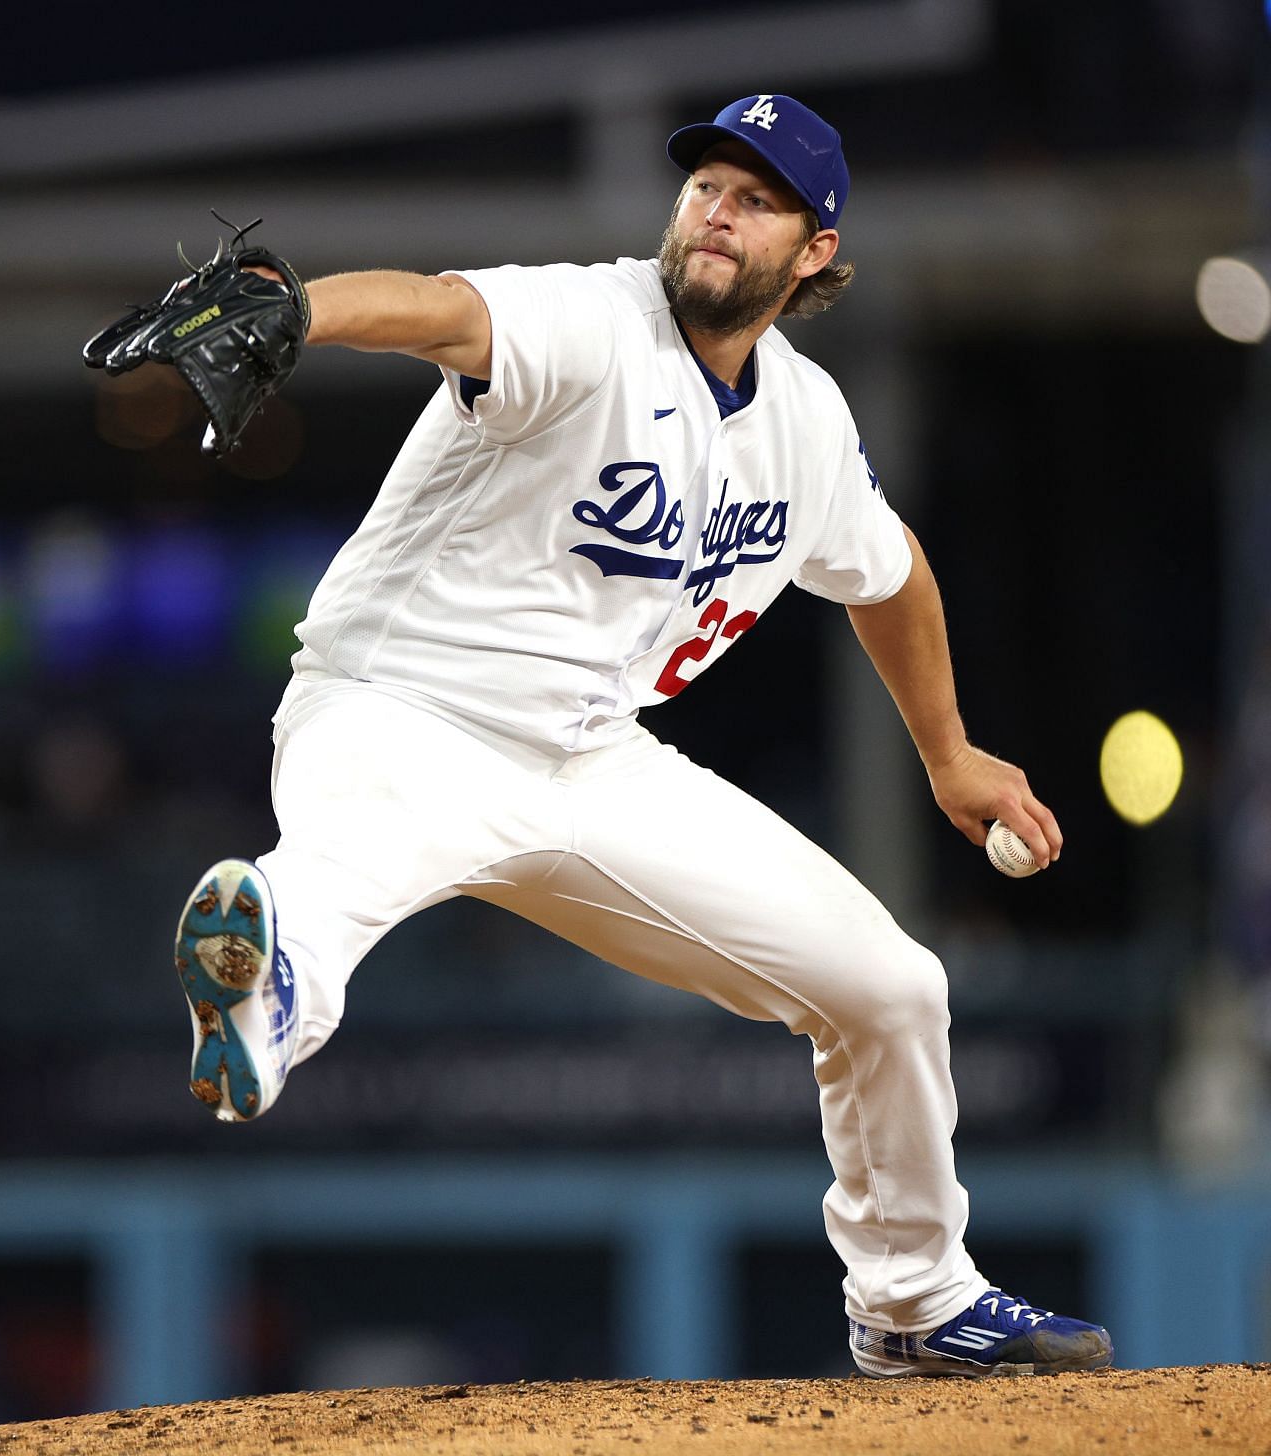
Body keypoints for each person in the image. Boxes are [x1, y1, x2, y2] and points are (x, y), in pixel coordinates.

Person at [170, 93, 1112, 1378]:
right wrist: (302, 312)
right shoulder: (594, 320)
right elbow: (448, 312)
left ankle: (915, 1297)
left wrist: (948, 751)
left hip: (595, 759)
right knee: (331, 881)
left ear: (817, 249)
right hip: (402, 709)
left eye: (757, 195)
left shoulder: (805, 421)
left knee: (894, 989)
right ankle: (261, 996)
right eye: (705, 184)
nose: (717, 208)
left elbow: (889, 576)